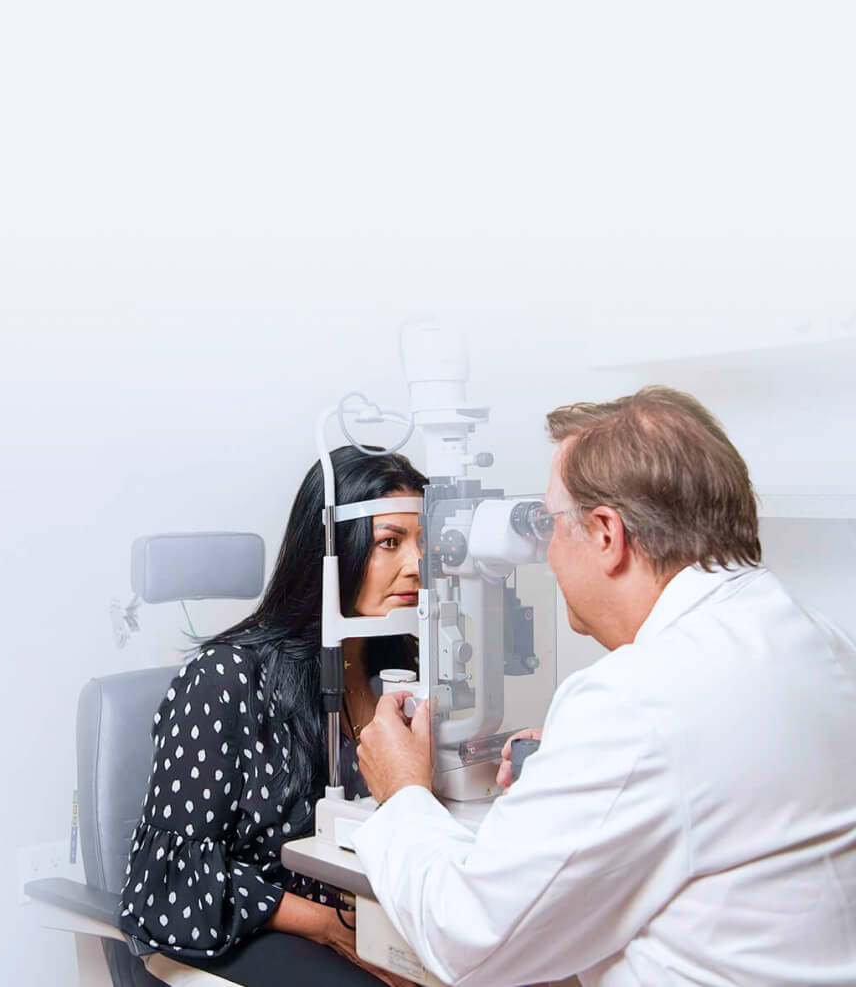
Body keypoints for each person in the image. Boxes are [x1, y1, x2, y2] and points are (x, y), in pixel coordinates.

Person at [354, 386, 856, 987]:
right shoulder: (821, 641)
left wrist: (402, 793)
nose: (547, 554)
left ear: (605, 534)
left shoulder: (636, 702)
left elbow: (467, 939)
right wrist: (579, 765)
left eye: (550, 525)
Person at [118, 445, 425, 986]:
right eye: (389, 542)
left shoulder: (398, 669)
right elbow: (172, 883)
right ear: (331, 550)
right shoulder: (225, 678)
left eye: (423, 542)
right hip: (246, 927)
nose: (416, 564)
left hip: (364, 914)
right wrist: (330, 926)